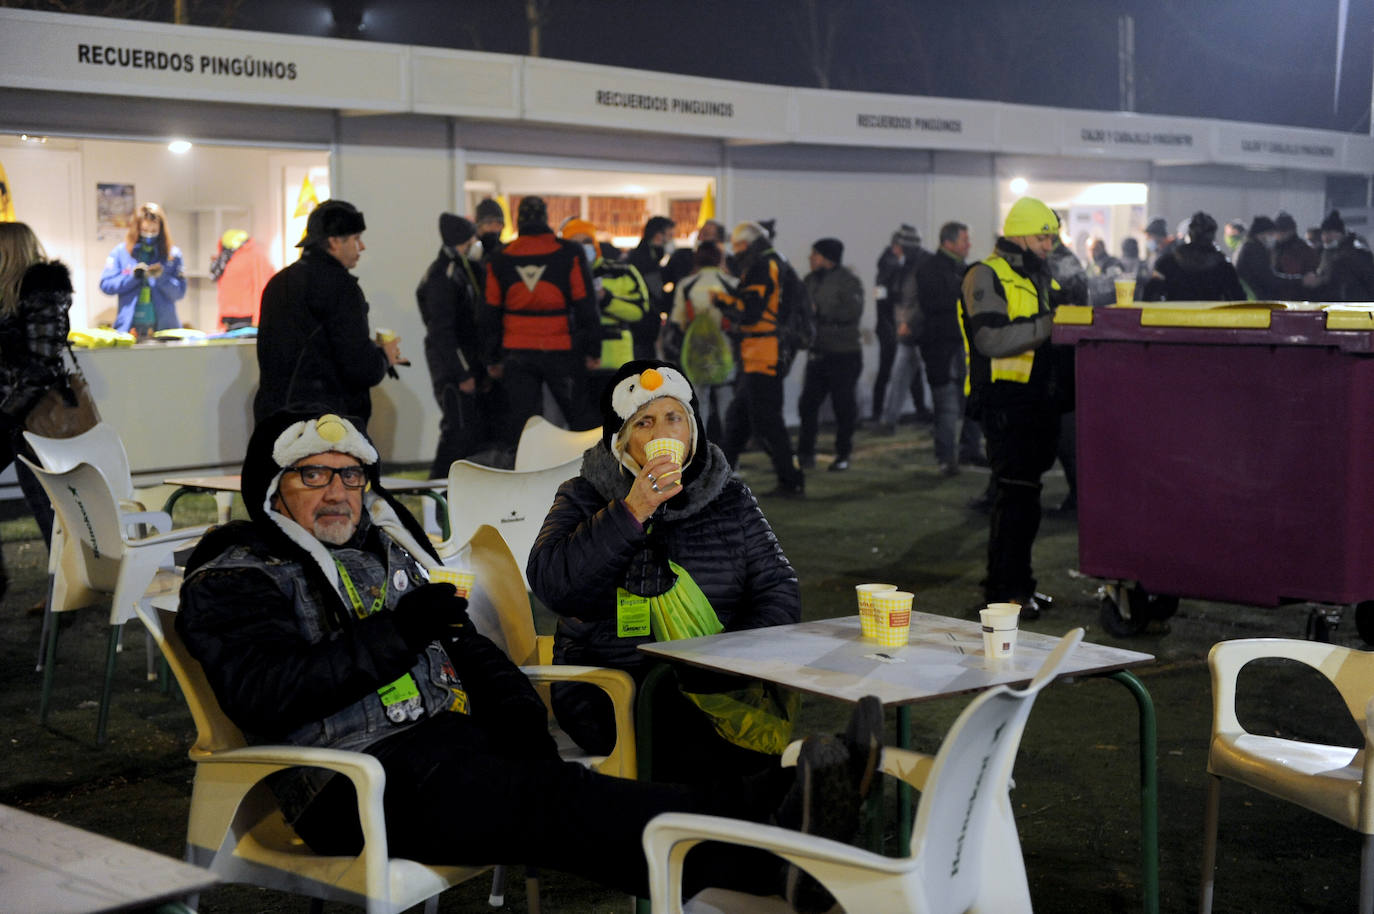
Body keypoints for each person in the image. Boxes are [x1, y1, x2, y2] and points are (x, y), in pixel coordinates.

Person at [175, 409, 877, 912]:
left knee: (567, 800)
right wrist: (395, 635)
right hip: (348, 784)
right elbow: (265, 694)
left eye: (352, 477)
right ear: (273, 489)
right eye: (314, 476)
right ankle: (777, 831)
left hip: (437, 751)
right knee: (563, 802)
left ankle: (774, 833)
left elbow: (463, 645)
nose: (337, 492)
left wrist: (520, 723)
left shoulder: (377, 553)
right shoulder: (240, 575)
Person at [529, 360, 802, 780]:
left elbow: (777, 587)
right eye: (644, 423)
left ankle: (792, 789)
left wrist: (732, 657)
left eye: (674, 418)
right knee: (690, 724)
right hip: (613, 684)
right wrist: (632, 511)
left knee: (720, 722)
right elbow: (553, 583)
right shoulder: (585, 495)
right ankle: (797, 790)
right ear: (621, 440)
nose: (662, 434)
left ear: (691, 429)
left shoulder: (728, 495)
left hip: (717, 676)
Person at [958, 197, 1074, 619]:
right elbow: (991, 340)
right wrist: (1053, 323)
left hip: (1037, 401)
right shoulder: (985, 274)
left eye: (1052, 237)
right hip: (1006, 403)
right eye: (1044, 236)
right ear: (1020, 233)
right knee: (1015, 502)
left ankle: (1019, 588)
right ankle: (1002, 593)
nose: (1050, 245)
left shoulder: (1038, 272)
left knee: (1025, 502)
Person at [253, 199, 403, 427]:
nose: (362, 247)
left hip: (274, 417)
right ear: (334, 242)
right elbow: (361, 368)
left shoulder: (279, 281)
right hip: (324, 425)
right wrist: (384, 356)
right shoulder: (341, 288)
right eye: (356, 238)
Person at [481, 196, 601, 460]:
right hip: (561, 349)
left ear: (519, 219)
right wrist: (593, 348)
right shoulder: (569, 252)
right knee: (580, 417)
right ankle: (596, 474)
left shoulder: (499, 257)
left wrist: (492, 357)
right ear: (546, 218)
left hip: (517, 350)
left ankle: (522, 479)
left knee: (522, 424)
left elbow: (489, 312)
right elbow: (586, 305)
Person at [0, 222, 72, 600]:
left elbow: (44, 363)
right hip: (13, 414)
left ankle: (67, 588)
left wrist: (9, 411)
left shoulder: (43, 288)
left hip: (33, 416)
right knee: (45, 502)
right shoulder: (9, 293)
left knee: (47, 505)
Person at [714, 221, 806, 497]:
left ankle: (790, 479)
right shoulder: (775, 262)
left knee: (766, 420)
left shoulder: (761, 266)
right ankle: (721, 478)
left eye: (737, 245)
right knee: (740, 418)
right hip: (763, 352)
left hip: (763, 353)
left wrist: (721, 300)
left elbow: (751, 310)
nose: (734, 251)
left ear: (745, 244)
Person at [416, 213, 502, 478]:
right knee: (458, 430)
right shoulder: (443, 275)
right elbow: (442, 332)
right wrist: (462, 373)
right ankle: (436, 490)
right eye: (472, 237)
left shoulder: (463, 269)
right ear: (461, 241)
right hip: (452, 369)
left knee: (472, 430)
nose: (477, 241)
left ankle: (456, 489)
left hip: (465, 364)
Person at [561, 218, 650, 421]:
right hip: (575, 364)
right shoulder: (561, 275)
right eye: (575, 242)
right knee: (580, 428)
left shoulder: (622, 272)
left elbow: (638, 312)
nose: (583, 247)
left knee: (617, 428)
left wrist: (605, 298)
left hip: (616, 362)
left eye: (587, 241)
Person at [916, 221, 984, 475]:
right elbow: (937, 303)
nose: (969, 245)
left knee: (972, 400)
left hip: (964, 347)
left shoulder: (961, 269)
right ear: (949, 243)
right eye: (965, 240)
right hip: (942, 348)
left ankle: (970, 450)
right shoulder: (931, 269)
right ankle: (946, 458)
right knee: (946, 405)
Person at [796, 238, 863, 472]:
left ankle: (843, 453)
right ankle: (805, 453)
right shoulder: (809, 280)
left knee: (843, 406)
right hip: (818, 352)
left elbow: (853, 310)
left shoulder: (848, 281)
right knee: (807, 404)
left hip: (843, 353)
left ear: (827, 257)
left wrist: (820, 311)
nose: (810, 259)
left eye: (814, 254)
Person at [661, 241, 737, 440]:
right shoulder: (732, 283)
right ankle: (730, 458)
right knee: (727, 403)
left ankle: (699, 454)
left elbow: (678, 320)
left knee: (698, 404)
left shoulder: (687, 285)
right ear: (720, 258)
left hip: (695, 349)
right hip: (726, 349)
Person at [98, 201, 186, 337]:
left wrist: (161, 278)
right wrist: (132, 277)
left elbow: (179, 293)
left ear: (161, 230)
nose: (149, 235)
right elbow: (106, 285)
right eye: (145, 231)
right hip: (130, 329)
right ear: (137, 229)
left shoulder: (172, 255)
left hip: (165, 329)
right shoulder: (121, 253)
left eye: (154, 231)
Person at [872, 224, 929, 428]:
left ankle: (887, 415)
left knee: (901, 372)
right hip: (893, 326)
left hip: (895, 325)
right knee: (894, 371)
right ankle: (885, 413)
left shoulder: (896, 265)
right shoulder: (891, 266)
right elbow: (883, 297)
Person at [1141, 212, 1245, 302]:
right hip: (1211, 322)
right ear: (1213, 236)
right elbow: (1238, 299)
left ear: (1189, 234)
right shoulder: (1224, 266)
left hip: (1173, 321)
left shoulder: (1167, 262)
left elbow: (1149, 295)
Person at [625, 215, 675, 360]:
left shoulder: (645, 255)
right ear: (659, 235)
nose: (672, 240)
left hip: (642, 324)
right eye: (670, 235)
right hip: (643, 326)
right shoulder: (645, 259)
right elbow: (655, 291)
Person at [209, 229, 273, 331]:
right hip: (227, 317)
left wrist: (259, 318)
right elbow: (224, 292)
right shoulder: (224, 258)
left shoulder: (255, 255)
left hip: (248, 317)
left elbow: (261, 286)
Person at [1234, 215, 1306, 301]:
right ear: (1261, 234)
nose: (1273, 238)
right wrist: (1300, 281)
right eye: (1271, 234)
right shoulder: (1254, 250)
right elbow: (1269, 280)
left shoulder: (1248, 247)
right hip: (1255, 299)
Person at [1315, 210, 1374, 302]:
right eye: (1323, 233)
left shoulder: (1356, 251)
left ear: (1341, 234)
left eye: (1330, 233)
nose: (1326, 237)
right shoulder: (1322, 252)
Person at [1272, 211, 1319, 279]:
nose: (1278, 235)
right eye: (1276, 231)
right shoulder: (1273, 249)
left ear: (1291, 231)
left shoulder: (1303, 250)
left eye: (1281, 231)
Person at [472, 197, 506, 264]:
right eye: (489, 223)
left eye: (498, 224)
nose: (494, 229)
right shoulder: (469, 253)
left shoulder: (506, 252)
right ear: (478, 227)